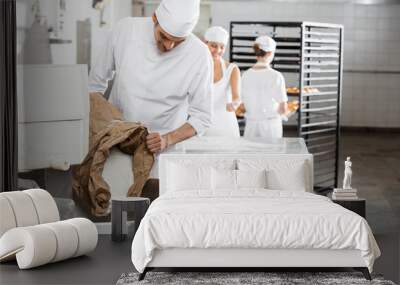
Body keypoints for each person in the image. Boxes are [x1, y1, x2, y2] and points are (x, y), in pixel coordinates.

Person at [89, 0, 213, 156]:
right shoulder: (126, 30)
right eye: (164, 36)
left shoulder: (199, 55)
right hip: (115, 143)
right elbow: (94, 87)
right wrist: (106, 124)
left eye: (178, 41)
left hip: (164, 152)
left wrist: (167, 139)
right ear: (155, 17)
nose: (169, 46)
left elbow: (202, 117)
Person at [241, 35, 288, 138]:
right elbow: (283, 109)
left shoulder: (245, 75)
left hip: (251, 126)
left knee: (252, 153)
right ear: (271, 53)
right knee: (271, 153)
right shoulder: (276, 76)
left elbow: (242, 107)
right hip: (271, 127)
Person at [203, 26, 241, 137]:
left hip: (226, 125)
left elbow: (237, 97)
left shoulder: (232, 69)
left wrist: (234, 104)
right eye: (213, 46)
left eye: (222, 47)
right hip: (202, 125)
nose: (218, 51)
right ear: (205, 44)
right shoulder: (197, 67)